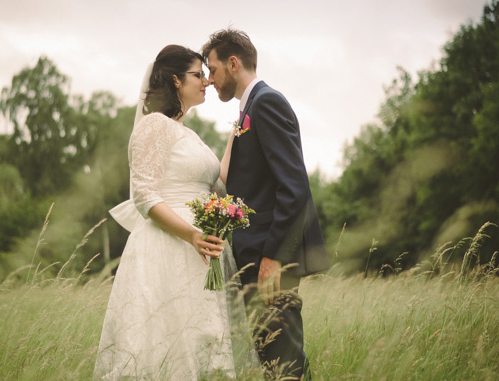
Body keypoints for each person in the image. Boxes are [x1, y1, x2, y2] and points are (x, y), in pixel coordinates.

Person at [94, 45, 239, 379]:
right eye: (198, 74)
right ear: (176, 80)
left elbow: (218, 187)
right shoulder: (153, 126)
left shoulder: (187, 134)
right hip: (168, 248)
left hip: (199, 252)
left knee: (201, 342)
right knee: (164, 344)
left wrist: (238, 133)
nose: (206, 81)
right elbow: (144, 195)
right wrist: (192, 235)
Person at [202, 29, 330, 380]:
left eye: (212, 70)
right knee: (270, 357)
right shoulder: (249, 109)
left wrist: (274, 257)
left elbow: (294, 187)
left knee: (284, 359)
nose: (210, 80)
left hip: (270, 258)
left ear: (233, 63)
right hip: (256, 256)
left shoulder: (267, 103)